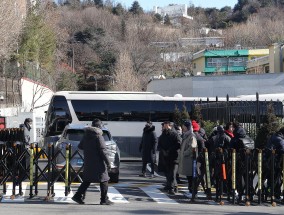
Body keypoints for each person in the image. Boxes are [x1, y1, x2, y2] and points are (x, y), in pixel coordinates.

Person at [72, 119, 113, 205]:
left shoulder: (86, 135)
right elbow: (103, 151)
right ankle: (104, 199)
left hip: (88, 161)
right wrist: (108, 163)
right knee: (104, 179)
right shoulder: (98, 136)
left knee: (87, 179)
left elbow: (80, 146)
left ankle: (77, 196)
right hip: (98, 162)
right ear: (99, 127)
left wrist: (89, 150)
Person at [158, 121, 181, 195]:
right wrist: (163, 151)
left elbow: (178, 144)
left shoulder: (175, 134)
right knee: (167, 173)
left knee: (172, 174)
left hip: (174, 157)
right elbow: (159, 145)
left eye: (166, 126)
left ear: (170, 126)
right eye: (164, 126)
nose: (164, 127)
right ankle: (171, 186)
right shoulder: (163, 135)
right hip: (165, 157)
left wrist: (169, 150)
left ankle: (171, 188)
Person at [178, 120, 197, 194]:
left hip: (190, 159)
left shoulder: (191, 136)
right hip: (186, 159)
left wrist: (184, 153)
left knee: (191, 176)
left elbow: (193, 147)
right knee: (189, 176)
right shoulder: (186, 135)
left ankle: (192, 190)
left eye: (184, 126)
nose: (183, 128)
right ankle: (191, 189)